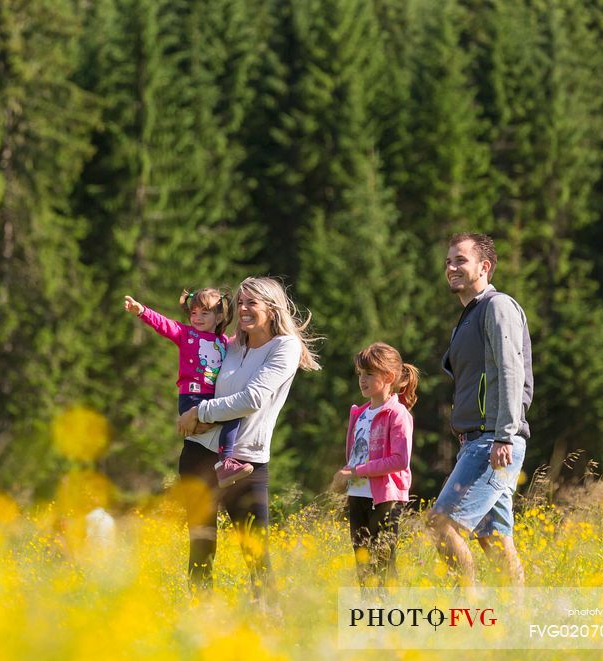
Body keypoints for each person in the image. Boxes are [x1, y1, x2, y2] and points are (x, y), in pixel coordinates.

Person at [175, 277, 321, 595]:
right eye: (240, 302)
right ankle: (200, 625)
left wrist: (199, 414)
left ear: (272, 308)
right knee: (200, 547)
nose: (243, 308)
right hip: (198, 454)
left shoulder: (285, 347)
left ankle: (268, 621)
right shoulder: (231, 345)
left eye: (251, 302)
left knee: (256, 554)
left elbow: (252, 399)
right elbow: (197, 365)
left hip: (245, 461)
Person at [427, 233, 533, 587]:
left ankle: (465, 612)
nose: (451, 268)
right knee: (495, 541)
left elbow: (510, 371)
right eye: (448, 262)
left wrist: (504, 434)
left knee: (441, 523)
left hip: (493, 442)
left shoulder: (496, 306)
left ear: (484, 266)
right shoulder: (469, 315)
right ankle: (519, 623)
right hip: (480, 441)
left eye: (460, 260)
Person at [124, 289, 252, 487]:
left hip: (213, 398)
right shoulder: (186, 334)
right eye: (193, 313)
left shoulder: (224, 342)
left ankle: (223, 464)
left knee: (233, 415)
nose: (197, 318)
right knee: (230, 416)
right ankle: (225, 463)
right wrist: (142, 311)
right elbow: (164, 325)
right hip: (192, 397)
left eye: (204, 313)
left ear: (219, 317)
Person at [337, 342, 418, 588]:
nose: (362, 380)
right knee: (362, 560)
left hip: (385, 497)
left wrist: (356, 471)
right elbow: (355, 456)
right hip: (358, 494)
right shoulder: (359, 414)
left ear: (389, 377)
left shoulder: (397, 414)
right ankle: (367, 614)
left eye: (369, 374)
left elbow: (400, 460)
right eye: (360, 374)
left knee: (383, 561)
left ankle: (387, 613)